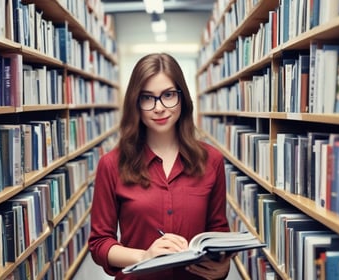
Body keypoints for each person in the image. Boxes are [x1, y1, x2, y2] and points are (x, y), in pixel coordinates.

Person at [88, 53, 232, 280]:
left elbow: (219, 230)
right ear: (135, 103)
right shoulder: (111, 164)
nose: (159, 108)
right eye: (147, 98)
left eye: (168, 95)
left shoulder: (211, 160)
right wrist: (144, 256)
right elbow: (99, 244)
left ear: (182, 98)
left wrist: (223, 267)